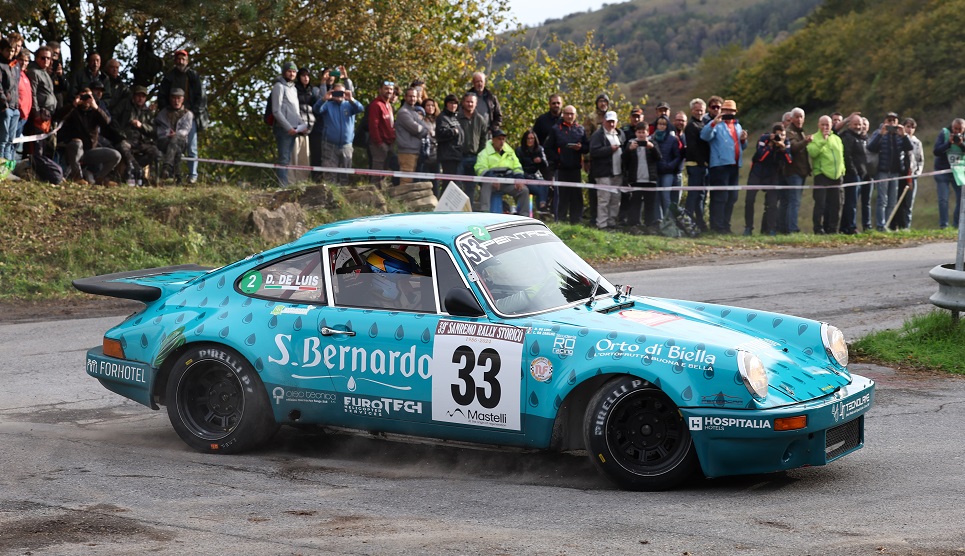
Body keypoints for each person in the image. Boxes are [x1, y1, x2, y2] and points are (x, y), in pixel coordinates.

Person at [157, 49, 208, 183]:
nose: (181, 61)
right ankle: (173, 174)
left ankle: (192, 176)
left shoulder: (193, 76)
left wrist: (193, 114)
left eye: (183, 59)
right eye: (178, 59)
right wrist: (166, 111)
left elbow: (201, 97)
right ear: (175, 61)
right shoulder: (168, 77)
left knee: (191, 146)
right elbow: (161, 96)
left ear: (187, 61)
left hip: (188, 116)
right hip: (170, 115)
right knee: (171, 144)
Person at [56, 86, 121, 185]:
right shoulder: (73, 110)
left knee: (115, 155)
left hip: (89, 151)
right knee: (77, 143)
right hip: (73, 150)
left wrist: (96, 107)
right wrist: (74, 105)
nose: (86, 99)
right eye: (83, 96)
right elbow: (58, 117)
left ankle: (100, 178)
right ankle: (77, 178)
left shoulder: (94, 112)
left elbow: (107, 122)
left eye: (88, 96)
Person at [700, 99, 747, 233]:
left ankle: (726, 225)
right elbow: (704, 136)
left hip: (734, 165)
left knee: (732, 197)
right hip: (719, 165)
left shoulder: (737, 126)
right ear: (722, 111)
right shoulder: (717, 125)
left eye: (731, 111)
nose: (729, 113)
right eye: (726, 110)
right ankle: (717, 226)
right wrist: (714, 123)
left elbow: (742, 146)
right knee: (720, 197)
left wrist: (743, 139)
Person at [867, 112, 913, 231]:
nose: (892, 122)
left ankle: (888, 223)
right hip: (883, 171)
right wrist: (881, 135)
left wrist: (904, 136)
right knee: (882, 199)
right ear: (885, 121)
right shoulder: (879, 132)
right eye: (889, 120)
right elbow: (871, 148)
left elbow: (909, 148)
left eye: (894, 120)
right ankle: (880, 225)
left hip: (896, 171)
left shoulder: (899, 135)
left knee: (893, 200)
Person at [543, 105, 588, 224]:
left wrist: (580, 148)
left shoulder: (581, 129)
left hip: (575, 168)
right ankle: (560, 222)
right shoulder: (556, 129)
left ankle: (576, 222)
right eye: (567, 113)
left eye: (572, 114)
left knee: (576, 197)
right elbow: (547, 147)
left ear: (575, 115)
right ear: (563, 114)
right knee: (562, 197)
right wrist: (558, 159)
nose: (569, 116)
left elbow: (587, 148)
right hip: (561, 168)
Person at [744, 123, 792, 235]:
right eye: (778, 135)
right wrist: (770, 145)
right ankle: (748, 227)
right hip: (757, 173)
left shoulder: (786, 142)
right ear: (772, 134)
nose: (780, 137)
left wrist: (783, 148)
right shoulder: (764, 138)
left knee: (772, 203)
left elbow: (789, 160)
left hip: (773, 174)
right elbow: (759, 156)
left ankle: (771, 229)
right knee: (749, 200)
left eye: (783, 135)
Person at [313, 82, 364, 185]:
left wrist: (351, 99)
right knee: (329, 176)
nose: (339, 95)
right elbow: (316, 110)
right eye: (336, 92)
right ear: (332, 92)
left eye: (341, 92)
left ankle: (343, 199)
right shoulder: (328, 105)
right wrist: (323, 99)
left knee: (345, 176)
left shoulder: (350, 105)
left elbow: (361, 109)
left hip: (347, 146)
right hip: (330, 145)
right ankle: (329, 199)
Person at [474, 129, 530, 216]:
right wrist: (493, 179)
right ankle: (484, 213)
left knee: (524, 190)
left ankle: (525, 216)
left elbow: (517, 167)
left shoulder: (510, 152)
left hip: (508, 182)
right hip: (492, 183)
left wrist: (519, 179)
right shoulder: (484, 153)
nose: (502, 142)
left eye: (503, 139)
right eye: (499, 139)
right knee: (486, 184)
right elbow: (480, 169)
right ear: (493, 140)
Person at [114, 85, 160, 185]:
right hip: (127, 138)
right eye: (138, 95)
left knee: (155, 152)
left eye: (143, 96)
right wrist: (120, 133)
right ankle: (137, 170)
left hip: (141, 141)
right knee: (122, 145)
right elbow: (113, 119)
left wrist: (141, 126)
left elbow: (154, 130)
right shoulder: (125, 104)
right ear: (134, 96)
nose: (140, 98)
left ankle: (133, 169)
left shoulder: (147, 112)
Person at [807, 115, 846, 234]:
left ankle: (833, 229)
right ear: (818, 125)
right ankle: (818, 229)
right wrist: (823, 141)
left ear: (831, 126)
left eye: (827, 125)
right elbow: (812, 153)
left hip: (837, 175)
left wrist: (842, 169)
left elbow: (841, 155)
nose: (825, 127)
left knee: (837, 204)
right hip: (822, 175)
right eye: (823, 124)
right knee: (820, 204)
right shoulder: (814, 138)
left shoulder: (836, 138)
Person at [589, 111, 625, 230]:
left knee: (615, 199)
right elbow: (593, 152)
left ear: (616, 122)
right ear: (604, 121)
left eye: (613, 122)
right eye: (609, 121)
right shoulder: (597, 135)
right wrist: (609, 149)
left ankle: (611, 222)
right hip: (603, 173)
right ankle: (602, 224)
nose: (611, 124)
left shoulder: (620, 134)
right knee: (604, 199)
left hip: (618, 173)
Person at [269, 61, 303, 187]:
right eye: (289, 71)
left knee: (287, 159)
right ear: (284, 72)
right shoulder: (278, 86)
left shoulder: (293, 89)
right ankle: (282, 187)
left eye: (294, 71)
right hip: (283, 129)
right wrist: (288, 127)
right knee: (283, 159)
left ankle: (285, 185)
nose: (292, 73)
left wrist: (302, 125)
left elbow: (296, 111)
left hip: (294, 129)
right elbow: (276, 111)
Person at [622, 122, 661, 228]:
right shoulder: (631, 143)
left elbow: (659, 158)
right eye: (639, 132)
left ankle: (649, 225)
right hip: (636, 179)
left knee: (650, 204)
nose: (641, 135)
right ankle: (634, 224)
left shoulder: (653, 143)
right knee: (635, 204)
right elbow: (624, 159)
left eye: (643, 132)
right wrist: (629, 150)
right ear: (636, 133)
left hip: (650, 180)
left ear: (647, 133)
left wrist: (652, 148)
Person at [456, 91, 488, 205]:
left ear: (476, 103)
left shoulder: (480, 119)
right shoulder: (457, 118)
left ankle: (469, 211)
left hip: (475, 157)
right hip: (459, 157)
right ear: (463, 103)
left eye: (472, 102)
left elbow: (484, 138)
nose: (470, 104)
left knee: (471, 187)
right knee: (457, 186)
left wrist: (480, 153)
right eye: (468, 102)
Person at [155, 87, 194, 182]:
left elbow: (186, 130)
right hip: (164, 140)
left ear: (183, 99)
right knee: (175, 147)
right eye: (174, 98)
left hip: (180, 141)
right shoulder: (163, 113)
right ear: (170, 99)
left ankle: (167, 167)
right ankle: (178, 176)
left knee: (175, 142)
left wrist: (176, 134)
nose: (176, 101)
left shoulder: (188, 114)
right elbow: (159, 130)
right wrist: (168, 133)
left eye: (178, 98)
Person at [839, 116, 869, 234]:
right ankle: (851, 227)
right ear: (849, 125)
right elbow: (847, 156)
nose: (858, 127)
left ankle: (845, 227)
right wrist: (854, 171)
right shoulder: (848, 137)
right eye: (855, 124)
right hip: (852, 175)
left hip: (862, 174)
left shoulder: (862, 138)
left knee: (854, 202)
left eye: (860, 124)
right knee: (851, 203)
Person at [25, 45, 57, 158]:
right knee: (37, 147)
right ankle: (33, 169)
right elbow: (32, 94)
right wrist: (37, 113)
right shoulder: (34, 72)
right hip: (39, 115)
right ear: (37, 58)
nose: (46, 60)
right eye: (43, 58)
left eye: (48, 58)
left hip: (48, 114)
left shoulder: (45, 73)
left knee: (47, 146)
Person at [933, 118, 965, 229]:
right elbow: (936, 151)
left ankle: (957, 224)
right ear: (952, 127)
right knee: (943, 199)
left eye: (960, 129)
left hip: (959, 172)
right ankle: (944, 225)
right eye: (955, 129)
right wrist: (948, 143)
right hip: (943, 171)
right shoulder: (944, 133)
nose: (957, 132)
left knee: (962, 198)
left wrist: (961, 144)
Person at [783, 107, 811, 233]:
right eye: (797, 117)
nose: (799, 119)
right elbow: (794, 148)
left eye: (801, 117)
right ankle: (792, 229)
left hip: (802, 171)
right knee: (794, 201)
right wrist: (806, 141)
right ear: (792, 118)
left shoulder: (800, 132)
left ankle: (791, 227)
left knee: (796, 201)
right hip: (793, 172)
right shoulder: (790, 132)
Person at [394, 86, 430, 185]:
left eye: (414, 96)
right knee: (406, 182)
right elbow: (416, 129)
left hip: (415, 151)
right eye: (410, 96)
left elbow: (425, 128)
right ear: (405, 97)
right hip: (407, 152)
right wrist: (422, 130)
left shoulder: (413, 112)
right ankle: (403, 201)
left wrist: (422, 130)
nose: (412, 98)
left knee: (413, 183)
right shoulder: (403, 112)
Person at [683, 98, 709, 231]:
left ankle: (700, 223)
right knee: (693, 194)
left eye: (701, 110)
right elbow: (692, 147)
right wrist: (702, 162)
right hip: (695, 164)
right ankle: (686, 222)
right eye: (696, 110)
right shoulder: (691, 126)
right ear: (692, 111)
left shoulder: (704, 125)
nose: (699, 112)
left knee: (701, 195)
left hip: (702, 165)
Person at [291, 67, 319, 183]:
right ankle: (291, 183)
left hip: (308, 130)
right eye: (303, 75)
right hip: (296, 128)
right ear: (299, 77)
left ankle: (303, 183)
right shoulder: (293, 89)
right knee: (294, 158)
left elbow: (317, 108)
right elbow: (293, 109)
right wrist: (299, 126)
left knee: (305, 158)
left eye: (308, 75)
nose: (306, 78)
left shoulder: (313, 91)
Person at [894, 117, 923, 230]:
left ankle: (906, 226)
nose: (910, 129)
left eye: (912, 127)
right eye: (908, 127)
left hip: (912, 176)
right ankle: (895, 225)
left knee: (908, 203)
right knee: (897, 201)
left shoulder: (917, 142)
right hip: (900, 174)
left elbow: (920, 160)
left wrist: (917, 173)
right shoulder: (898, 139)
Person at [652, 115, 681, 223]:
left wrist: (669, 166)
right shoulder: (651, 138)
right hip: (655, 172)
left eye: (664, 124)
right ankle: (658, 221)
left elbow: (677, 156)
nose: (661, 126)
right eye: (660, 124)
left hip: (667, 172)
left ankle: (669, 221)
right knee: (656, 198)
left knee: (666, 197)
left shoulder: (672, 140)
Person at [367, 79, 396, 182]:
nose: (389, 91)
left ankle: (382, 194)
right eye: (386, 89)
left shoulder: (389, 105)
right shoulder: (376, 104)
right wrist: (379, 143)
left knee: (384, 172)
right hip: (378, 144)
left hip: (389, 143)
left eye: (391, 89)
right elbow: (373, 126)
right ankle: (373, 196)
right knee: (377, 173)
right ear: (380, 90)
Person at [516, 129, 549, 214]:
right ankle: (541, 206)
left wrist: (541, 160)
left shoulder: (540, 149)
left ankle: (542, 205)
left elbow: (546, 164)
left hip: (536, 176)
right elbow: (517, 166)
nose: (530, 140)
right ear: (525, 139)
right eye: (528, 138)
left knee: (544, 184)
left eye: (532, 138)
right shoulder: (519, 150)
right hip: (524, 177)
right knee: (539, 190)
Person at [435, 93, 463, 191]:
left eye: (455, 103)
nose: (453, 105)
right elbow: (440, 133)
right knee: (449, 184)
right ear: (446, 104)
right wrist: (453, 131)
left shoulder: (455, 117)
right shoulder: (442, 117)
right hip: (448, 155)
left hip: (457, 154)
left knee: (456, 184)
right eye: (451, 103)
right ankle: (444, 205)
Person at [0, 38, 21, 163]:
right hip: (5, 107)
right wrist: (4, 102)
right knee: (3, 139)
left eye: (12, 51)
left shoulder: (15, 65)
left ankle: (7, 167)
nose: (10, 53)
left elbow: (16, 86)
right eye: (8, 51)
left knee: (10, 140)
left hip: (15, 106)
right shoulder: (1, 65)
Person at [419, 98, 440, 196]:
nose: (430, 107)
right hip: (425, 153)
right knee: (423, 180)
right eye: (428, 105)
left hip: (436, 154)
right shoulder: (421, 119)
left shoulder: (438, 120)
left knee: (435, 182)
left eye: (432, 105)